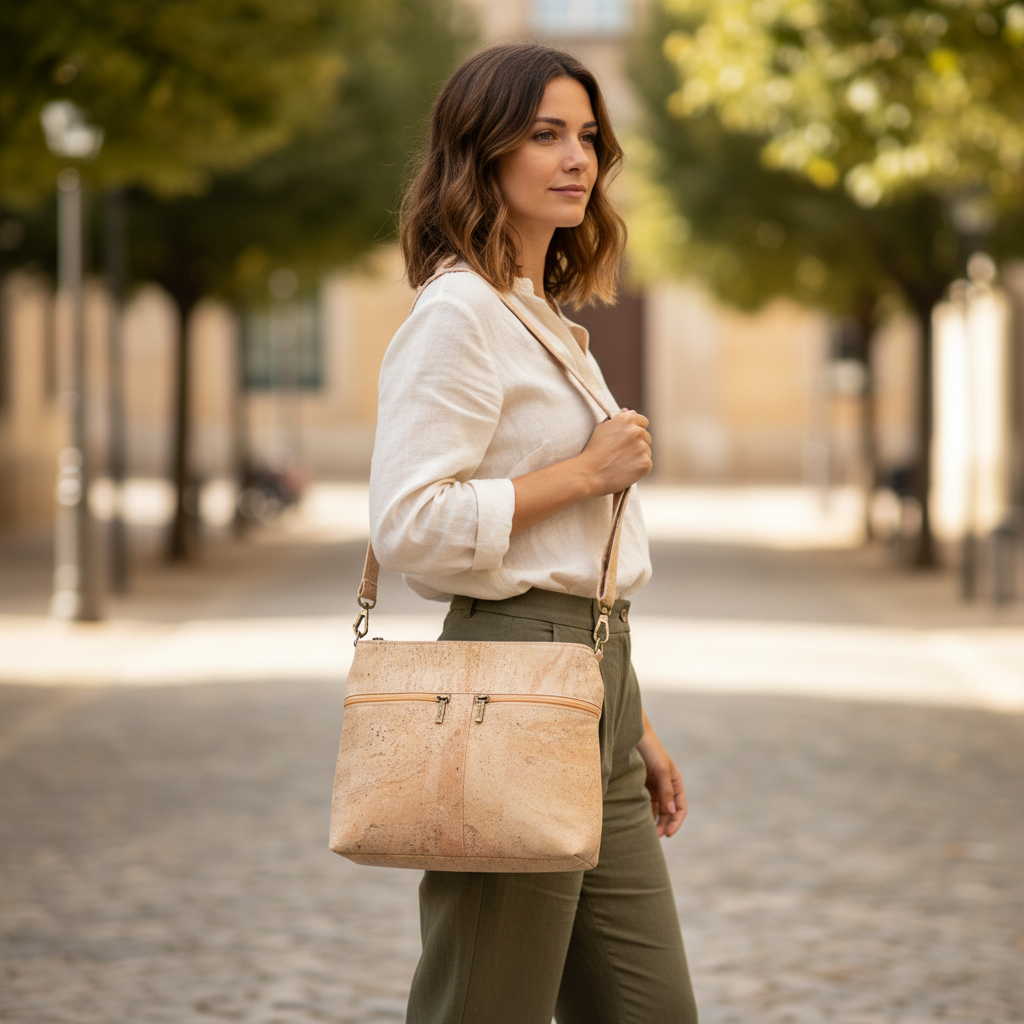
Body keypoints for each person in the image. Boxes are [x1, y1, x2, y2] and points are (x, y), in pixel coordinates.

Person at [369, 42, 698, 1024]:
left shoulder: (537, 314)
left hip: (593, 677)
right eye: (545, 134)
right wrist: (580, 474)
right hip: (509, 678)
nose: (577, 159)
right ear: (481, 153)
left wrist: (629, 720)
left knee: (648, 1009)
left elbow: (575, 564)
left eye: (588, 136)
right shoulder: (458, 313)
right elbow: (407, 525)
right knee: (486, 1004)